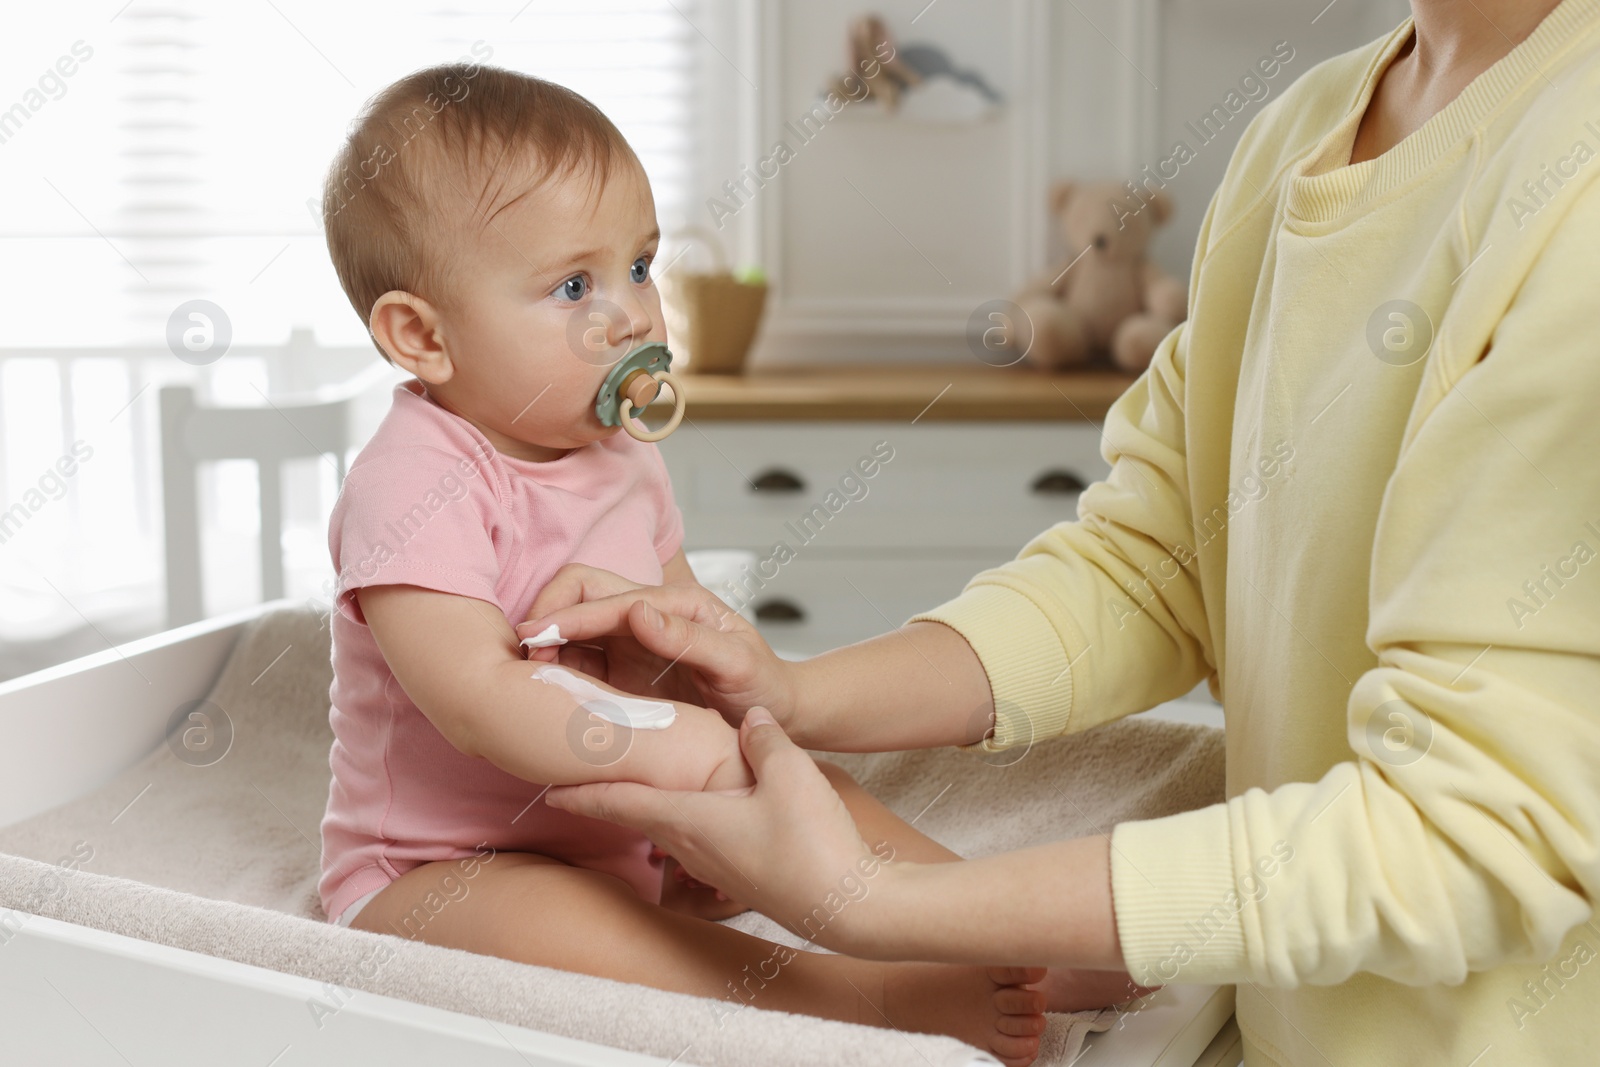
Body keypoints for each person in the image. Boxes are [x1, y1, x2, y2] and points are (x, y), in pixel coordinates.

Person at [522, 1, 1600, 1062]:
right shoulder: (1302, 129)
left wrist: (880, 906)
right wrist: (795, 692)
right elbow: (1155, 564)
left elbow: (1472, 829)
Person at [314, 62, 1147, 1067]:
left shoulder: (619, 453)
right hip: (441, 869)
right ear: (423, 335)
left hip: (628, 825)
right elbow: (475, 698)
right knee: (567, 926)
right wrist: (676, 749)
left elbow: (675, 618)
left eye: (639, 264)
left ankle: (991, 925)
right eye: (574, 285)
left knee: (806, 783)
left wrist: (717, 721)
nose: (631, 313)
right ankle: (860, 997)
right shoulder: (414, 479)